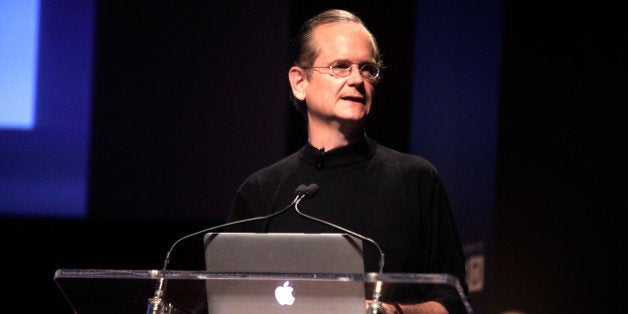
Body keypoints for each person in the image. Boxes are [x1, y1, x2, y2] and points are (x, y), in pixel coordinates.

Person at [226, 8, 469, 314]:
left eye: (368, 68)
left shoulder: (415, 179)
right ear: (300, 82)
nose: (357, 79)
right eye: (340, 67)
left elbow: (454, 302)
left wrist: (390, 312)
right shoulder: (261, 192)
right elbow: (229, 302)